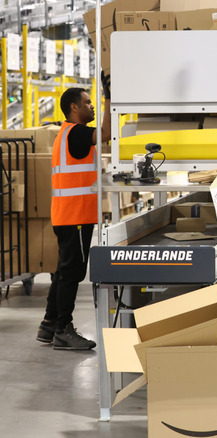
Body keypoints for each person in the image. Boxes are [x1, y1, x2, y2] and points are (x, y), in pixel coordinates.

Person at [37, 74, 111, 350]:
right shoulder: (77, 133)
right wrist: (109, 99)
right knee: (72, 273)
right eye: (87, 103)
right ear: (74, 108)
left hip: (66, 214)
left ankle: (48, 324)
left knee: (63, 271)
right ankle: (63, 330)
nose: (91, 107)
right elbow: (106, 135)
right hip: (77, 216)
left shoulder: (65, 134)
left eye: (93, 102)